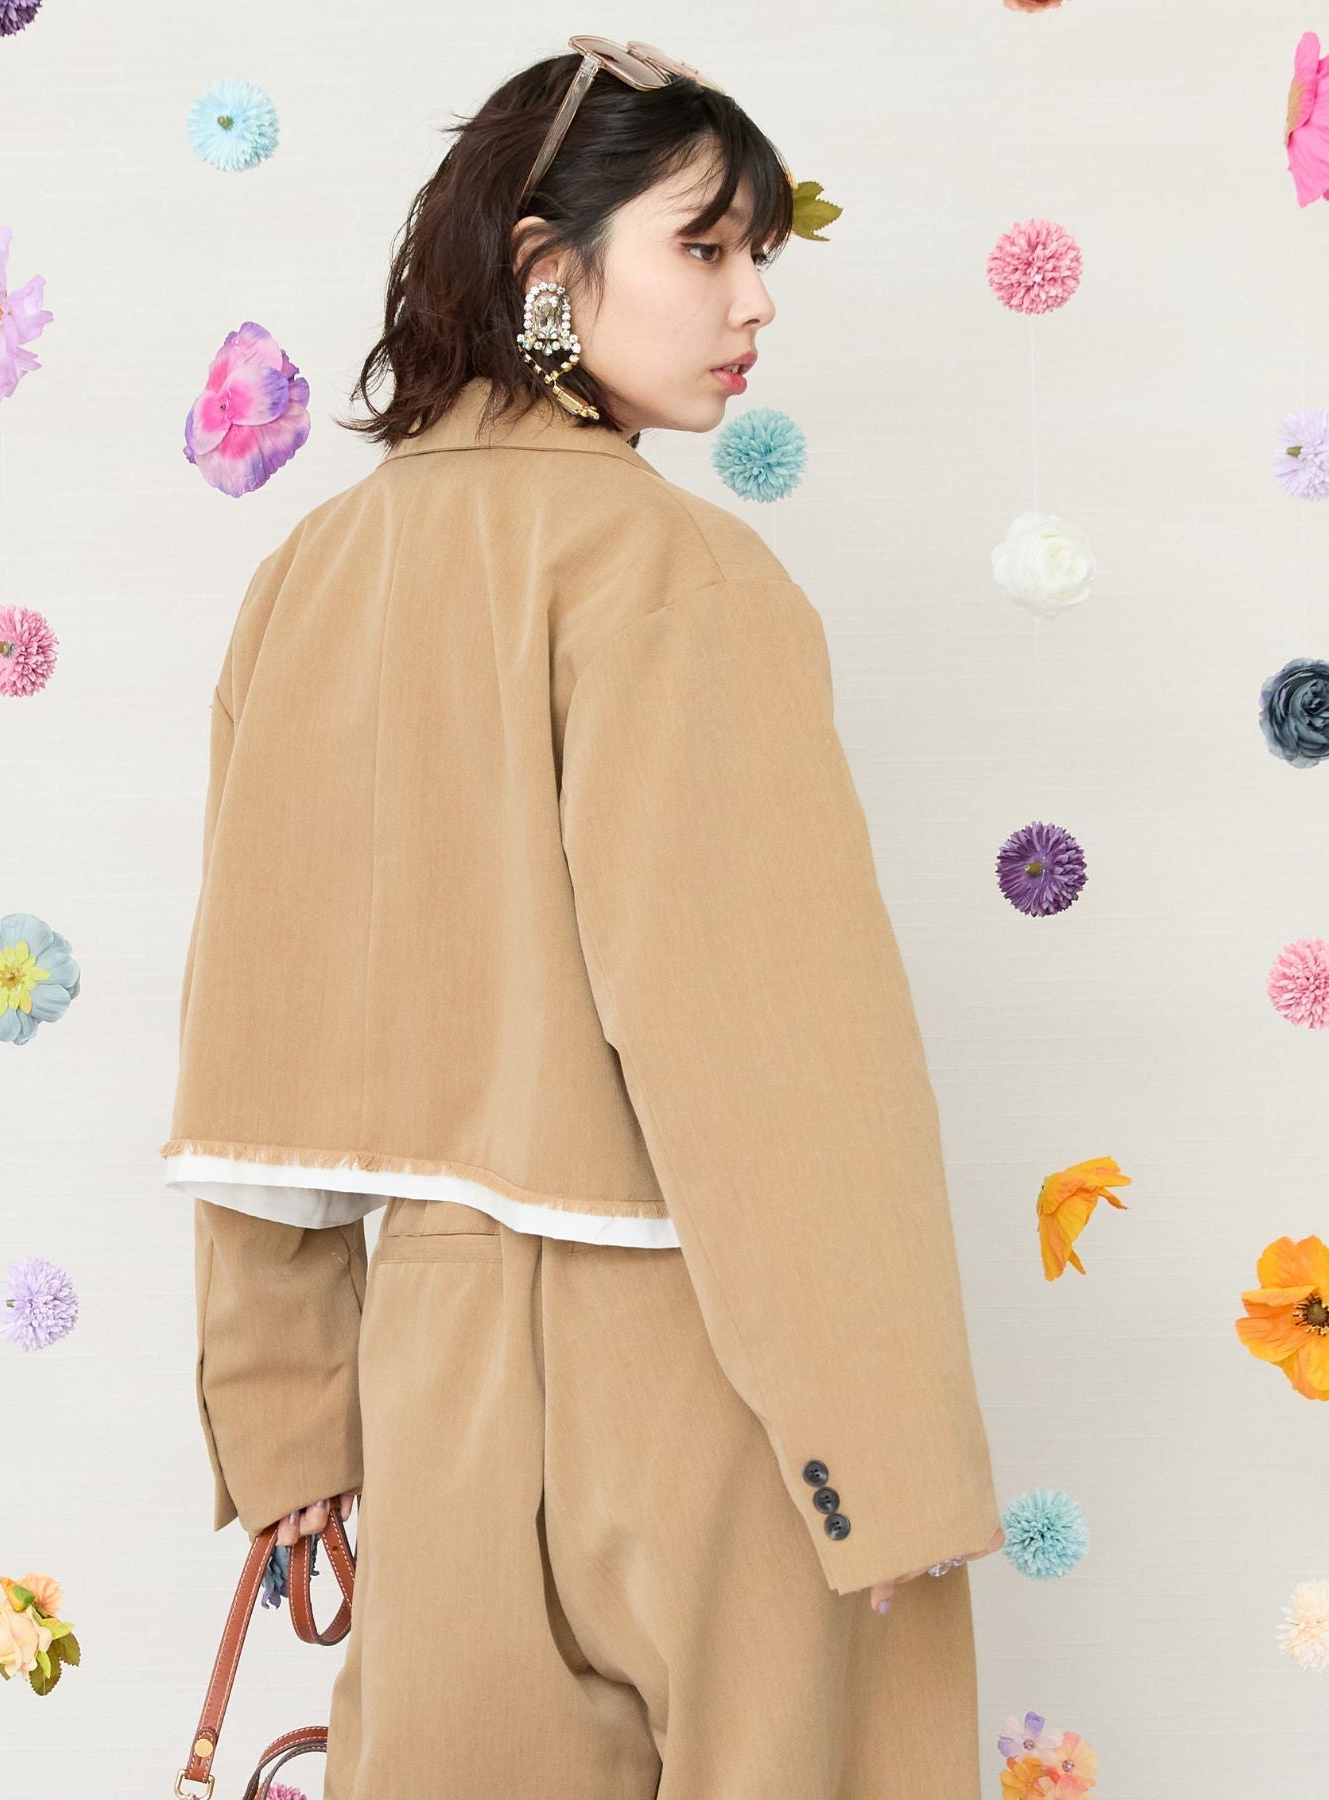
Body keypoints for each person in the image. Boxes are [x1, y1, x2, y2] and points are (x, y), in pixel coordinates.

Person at [165, 38, 1004, 1799]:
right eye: (705, 247)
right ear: (548, 267)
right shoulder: (677, 574)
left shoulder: (303, 581)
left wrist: (288, 1413)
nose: (754, 302)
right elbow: (777, 1059)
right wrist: (886, 1457)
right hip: (707, 1374)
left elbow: (255, 1057)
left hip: (436, 1383)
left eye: (759, 252)